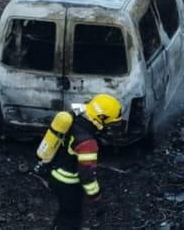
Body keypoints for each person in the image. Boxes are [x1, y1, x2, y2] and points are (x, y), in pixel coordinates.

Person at [38, 94, 122, 230]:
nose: (109, 127)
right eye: (110, 123)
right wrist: (96, 195)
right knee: (71, 217)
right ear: (101, 118)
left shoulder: (73, 118)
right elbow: (86, 176)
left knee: (63, 212)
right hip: (68, 183)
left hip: (54, 172)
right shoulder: (87, 142)